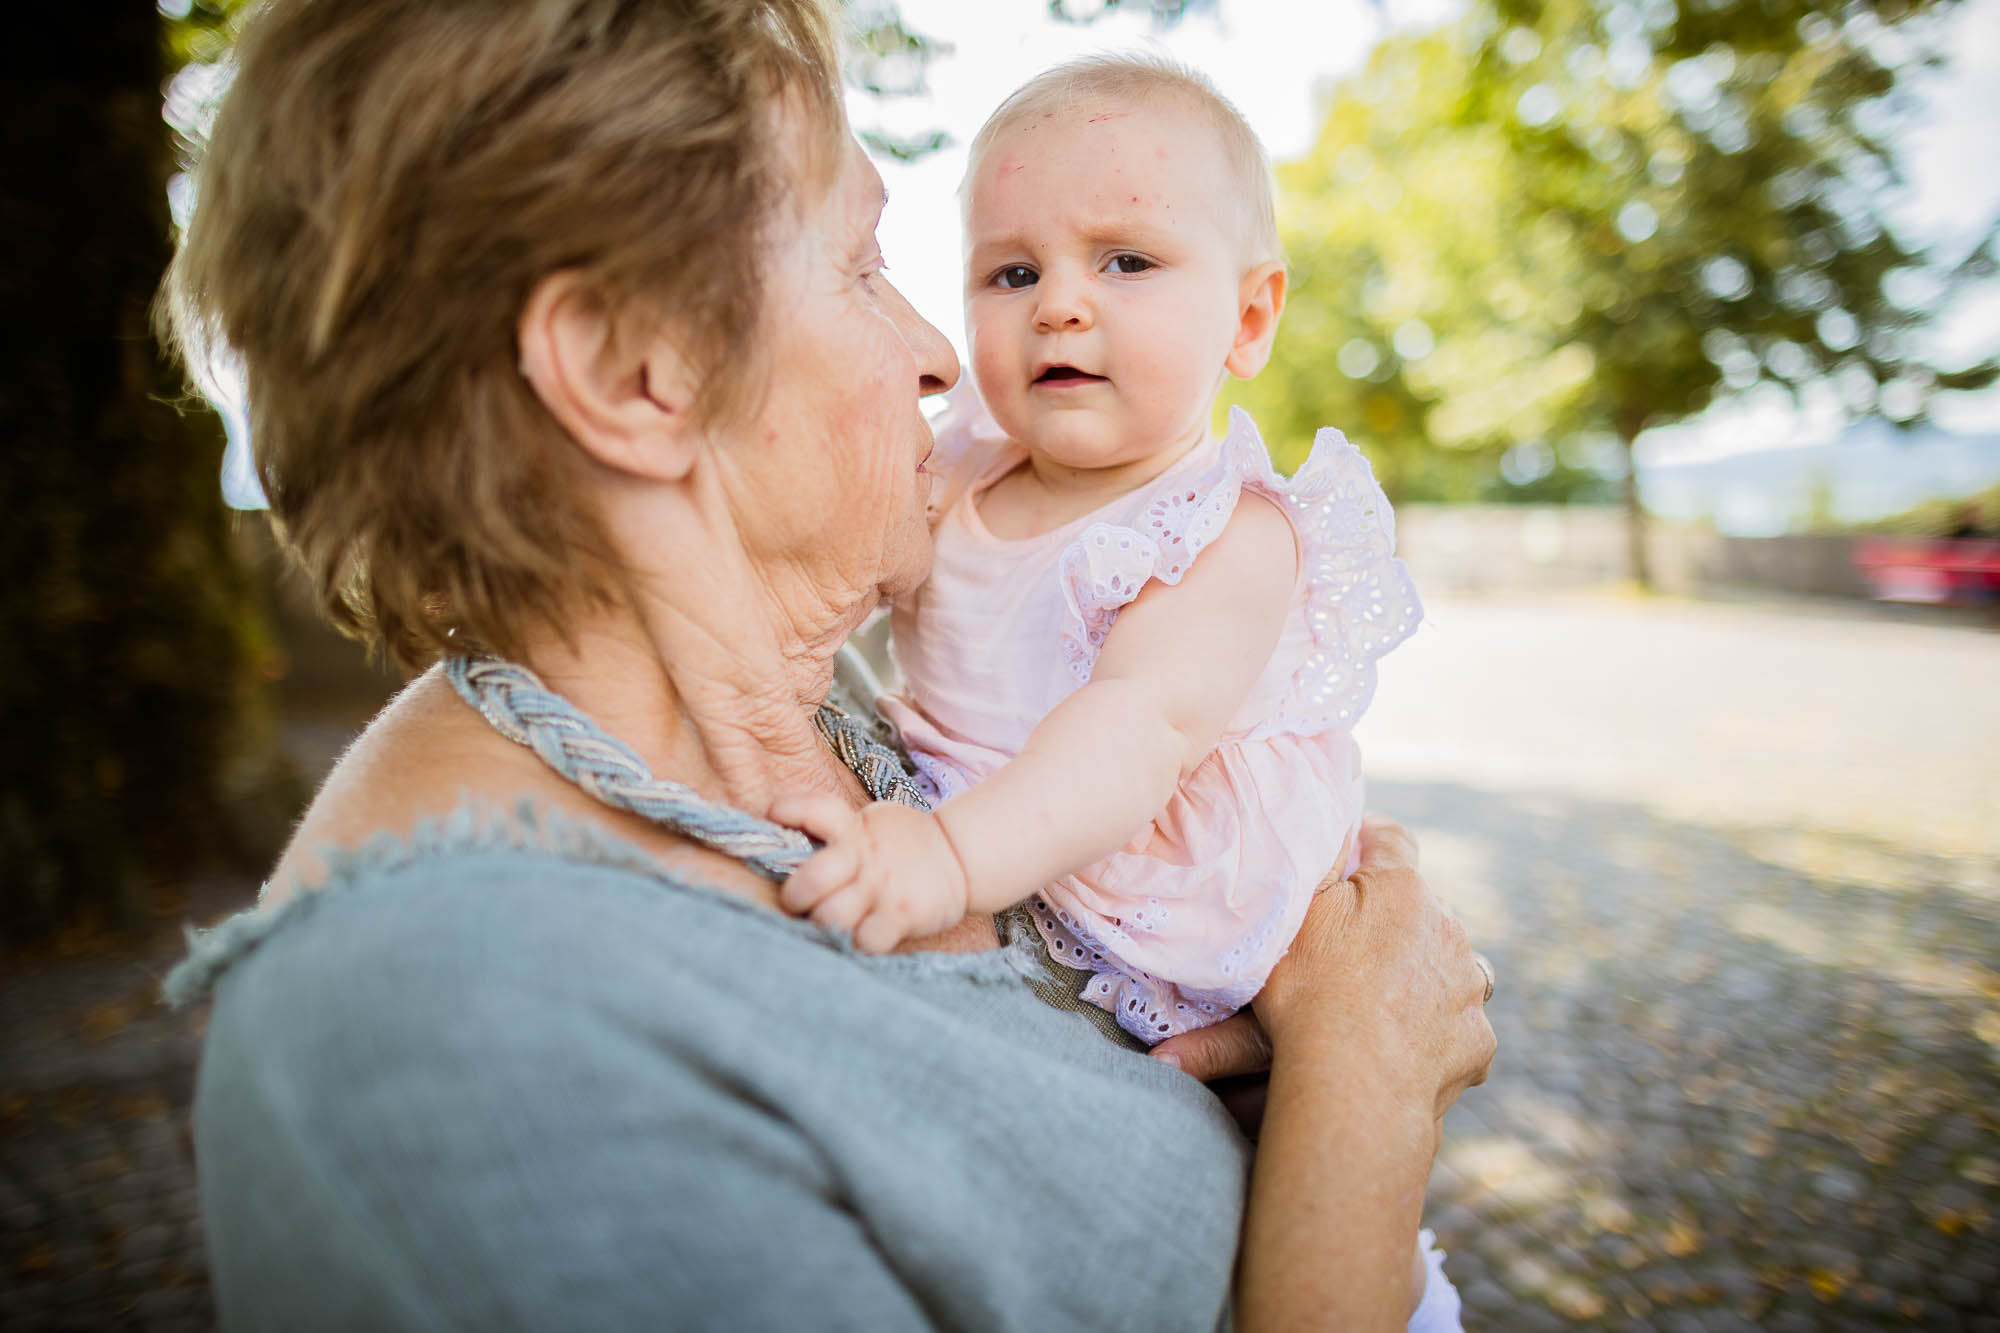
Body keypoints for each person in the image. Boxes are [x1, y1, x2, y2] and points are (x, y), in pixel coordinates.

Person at [157, 2, 1496, 1329]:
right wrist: (1363, 1089)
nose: (936, 355)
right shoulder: (438, 1034)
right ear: (634, 373)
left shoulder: (843, 722)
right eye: (864, 267)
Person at [772, 55, 1448, 1326]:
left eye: (1125, 262)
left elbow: (1137, 731)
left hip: (1180, 918)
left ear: (1249, 320)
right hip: (1033, 890)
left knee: (1263, 1200)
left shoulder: (1221, 531)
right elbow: (830, 589)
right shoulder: (961, 469)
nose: (1060, 307)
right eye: (1011, 271)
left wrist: (947, 858)